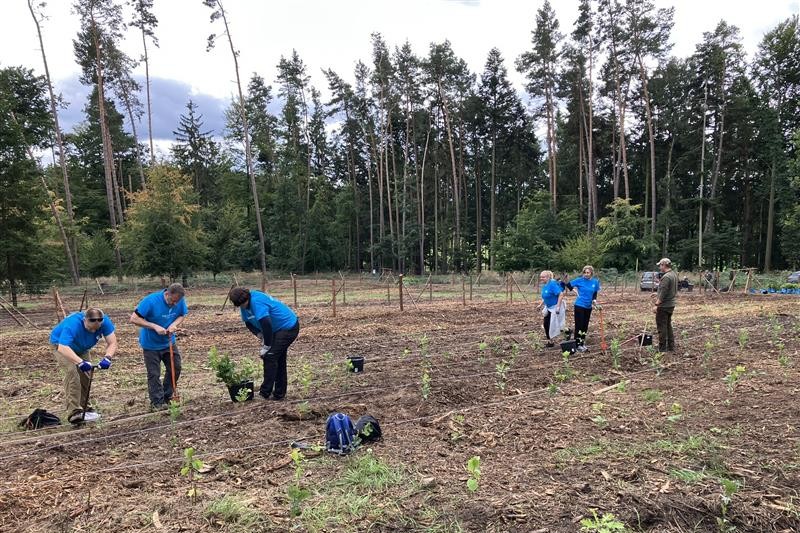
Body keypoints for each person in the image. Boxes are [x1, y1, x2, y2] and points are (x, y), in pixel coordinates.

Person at [229, 287, 300, 400]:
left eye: (245, 303)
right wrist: (258, 334)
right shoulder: (244, 303)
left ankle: (264, 393)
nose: (243, 306)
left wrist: (266, 346)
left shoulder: (256, 302)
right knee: (277, 358)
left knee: (270, 356)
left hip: (287, 326)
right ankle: (279, 394)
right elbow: (248, 322)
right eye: (241, 305)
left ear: (247, 297)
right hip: (276, 330)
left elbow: (267, 324)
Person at [50, 307, 117, 424]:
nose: (93, 331)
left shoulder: (105, 322)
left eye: (96, 329)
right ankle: (74, 411)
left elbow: (112, 342)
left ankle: (86, 407)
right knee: (72, 373)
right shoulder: (72, 325)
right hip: (61, 346)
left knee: (86, 375)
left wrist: (108, 358)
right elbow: (63, 347)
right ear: (84, 320)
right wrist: (80, 362)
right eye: (90, 329)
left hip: (82, 348)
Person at [130, 283, 188, 410]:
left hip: (168, 342)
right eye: (172, 301)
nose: (174, 304)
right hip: (151, 344)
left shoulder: (179, 300)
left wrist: (174, 324)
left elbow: (182, 314)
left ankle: (167, 397)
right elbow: (134, 319)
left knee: (175, 368)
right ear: (167, 294)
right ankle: (157, 403)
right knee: (154, 374)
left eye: (177, 302)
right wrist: (154, 326)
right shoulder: (150, 301)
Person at [565, 265, 601, 352]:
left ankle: (582, 342)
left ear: (591, 273)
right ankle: (577, 344)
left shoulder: (595, 282)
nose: (586, 274)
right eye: (584, 272)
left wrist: (594, 301)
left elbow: (594, 293)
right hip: (579, 305)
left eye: (588, 272)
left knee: (585, 326)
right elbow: (568, 285)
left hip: (588, 307)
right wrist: (574, 290)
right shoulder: (579, 280)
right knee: (579, 325)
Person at [653, 258, 678, 352]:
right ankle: (671, 346)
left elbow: (663, 292)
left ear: (664, 265)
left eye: (660, 265)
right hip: (671, 304)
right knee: (668, 326)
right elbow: (669, 290)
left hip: (664, 306)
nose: (659, 267)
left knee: (661, 327)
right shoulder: (673, 275)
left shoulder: (666, 277)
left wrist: (656, 304)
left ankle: (662, 348)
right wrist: (657, 293)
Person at [537, 270, 565, 347]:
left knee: (558, 325)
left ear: (548, 277)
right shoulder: (545, 285)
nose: (541, 278)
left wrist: (558, 307)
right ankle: (550, 342)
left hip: (555, 307)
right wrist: (540, 305)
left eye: (543, 277)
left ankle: (568, 331)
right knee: (546, 324)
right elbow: (546, 296)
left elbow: (561, 294)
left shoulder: (552, 284)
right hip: (549, 307)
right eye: (541, 277)